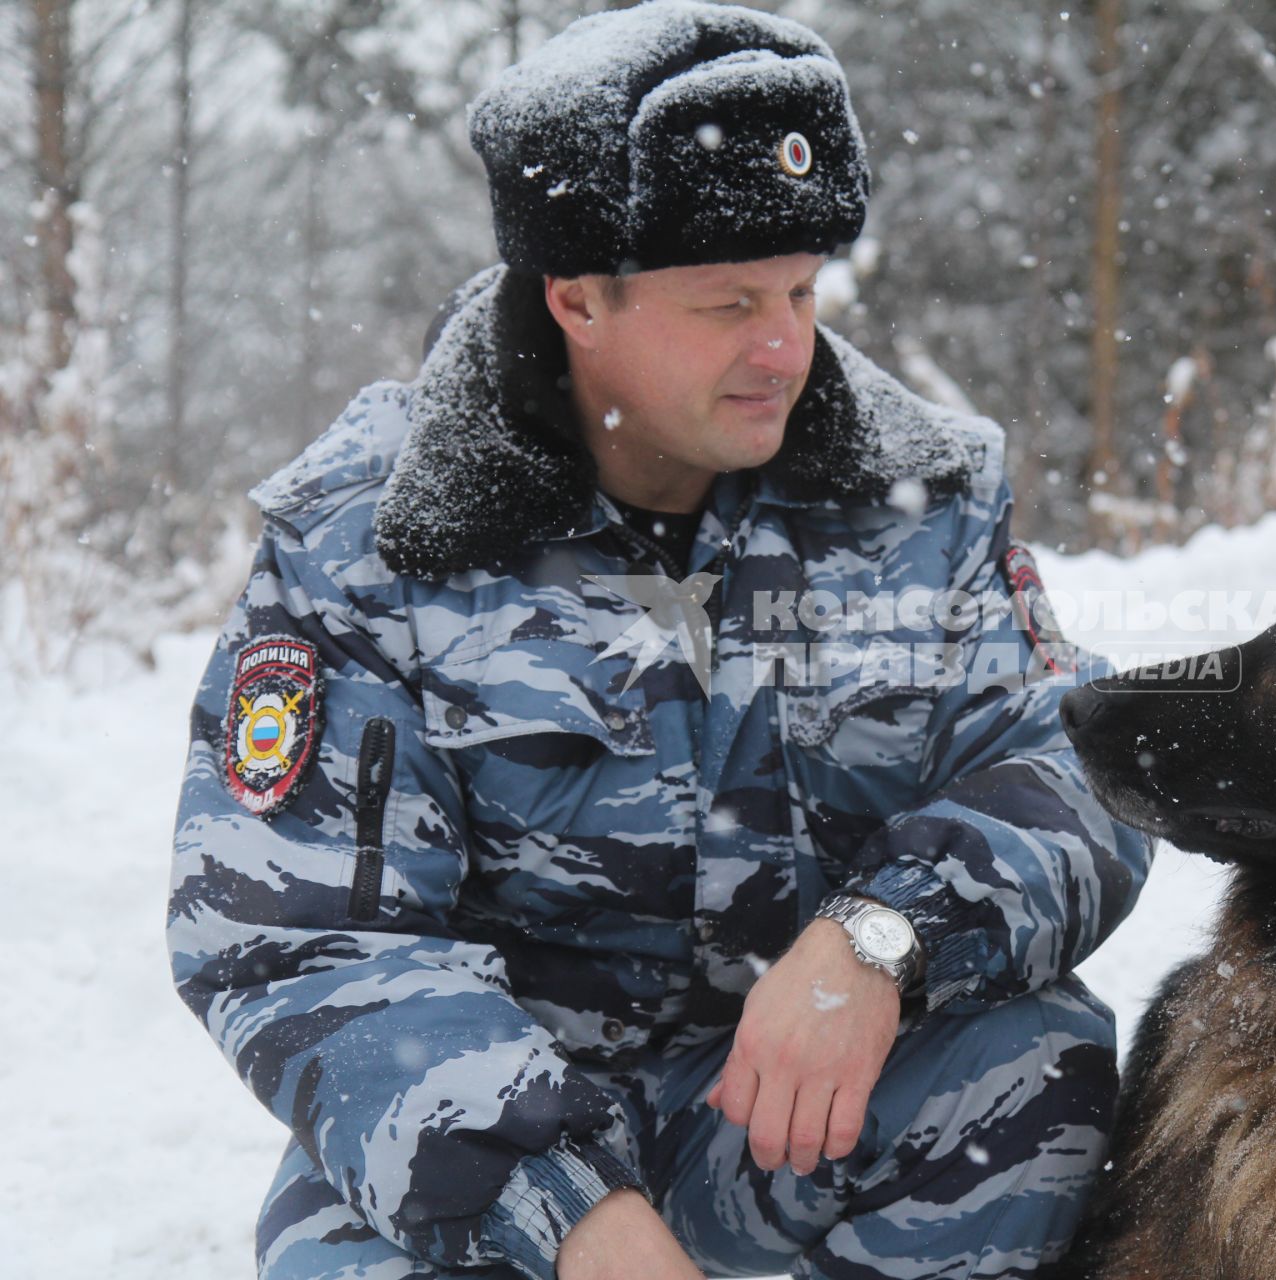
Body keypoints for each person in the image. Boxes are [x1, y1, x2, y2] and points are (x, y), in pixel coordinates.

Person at [166, 4, 1151, 1279]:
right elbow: (295, 936)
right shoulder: (368, 542)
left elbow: (1071, 762)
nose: (785, 347)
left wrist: (881, 938)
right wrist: (579, 1215)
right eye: (729, 302)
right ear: (577, 299)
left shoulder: (920, 490)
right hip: (493, 1151)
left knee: (1033, 1062)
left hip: (785, 1119)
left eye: (802, 289)